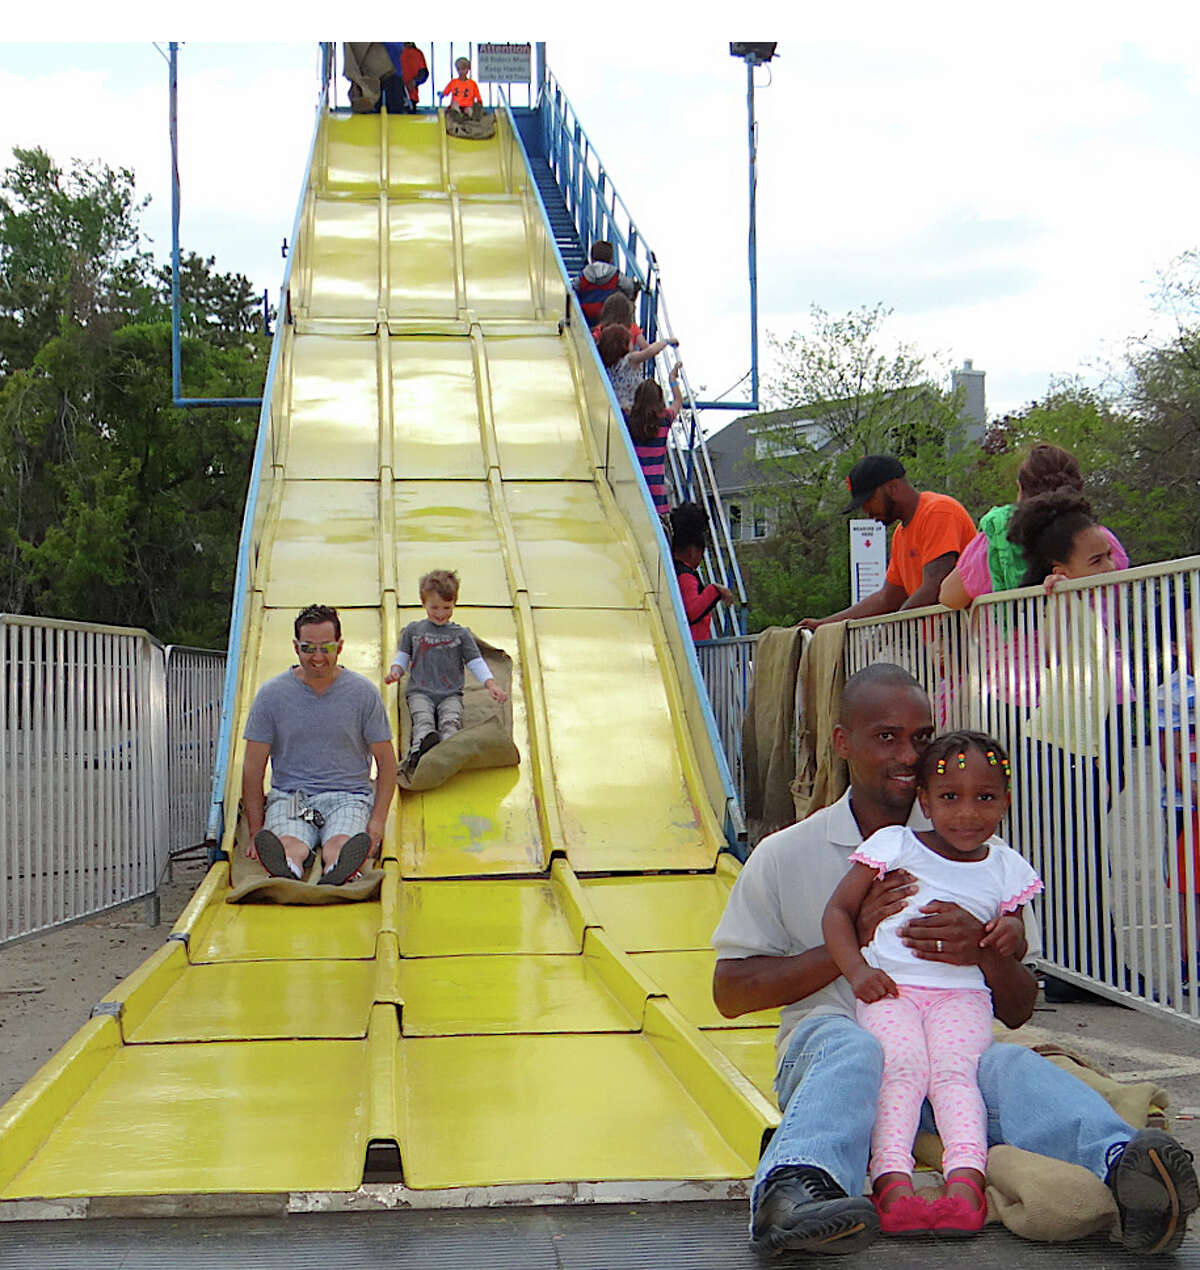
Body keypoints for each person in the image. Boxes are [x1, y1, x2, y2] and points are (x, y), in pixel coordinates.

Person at [712, 662, 1199, 1257]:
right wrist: (852, 949)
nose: (908, 754)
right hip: (838, 1056)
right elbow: (730, 994)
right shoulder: (786, 853)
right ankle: (794, 1193)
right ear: (843, 743)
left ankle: (1134, 1172)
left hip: (947, 1053)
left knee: (1009, 1065)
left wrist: (984, 953)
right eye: (886, 736)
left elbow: (1018, 1009)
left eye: (922, 737)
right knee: (853, 1045)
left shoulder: (976, 847)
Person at [822, 730, 1041, 1237]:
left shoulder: (1007, 866)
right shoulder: (895, 845)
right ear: (924, 800)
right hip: (892, 990)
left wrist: (1008, 931)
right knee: (900, 1071)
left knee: (955, 1076)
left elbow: (1017, 940)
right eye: (949, 797)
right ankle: (892, 1178)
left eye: (985, 798)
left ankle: (965, 1179)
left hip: (962, 997)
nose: (967, 813)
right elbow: (837, 911)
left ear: (1006, 801)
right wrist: (858, 970)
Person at [242, 604, 397, 886]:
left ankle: (339, 867)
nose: (317, 657)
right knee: (291, 843)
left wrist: (377, 822)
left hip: (348, 795)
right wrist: (255, 829)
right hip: (294, 797)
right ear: (295, 646)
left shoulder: (363, 694)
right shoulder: (272, 695)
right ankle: (286, 867)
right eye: (308, 648)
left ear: (340, 646)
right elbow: (253, 767)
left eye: (326, 648)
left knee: (339, 842)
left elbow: (387, 763)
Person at [939, 443, 1129, 609]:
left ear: (1021, 489)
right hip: (1096, 646)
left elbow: (949, 597)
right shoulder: (1099, 540)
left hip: (1015, 648)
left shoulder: (997, 539)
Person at [798, 456, 975, 630]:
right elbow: (888, 598)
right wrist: (823, 624)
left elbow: (935, 584)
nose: (866, 511)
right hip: (939, 648)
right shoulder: (900, 534)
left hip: (971, 644)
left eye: (868, 501)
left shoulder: (938, 512)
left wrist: (890, 632)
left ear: (892, 487)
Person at [384, 569, 508, 773]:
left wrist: (491, 684)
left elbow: (475, 661)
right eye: (434, 607)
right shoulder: (414, 631)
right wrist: (396, 670)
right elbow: (403, 655)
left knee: (451, 722)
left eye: (446, 607)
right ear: (423, 603)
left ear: (454, 604)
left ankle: (448, 752)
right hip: (420, 691)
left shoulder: (460, 634)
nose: (440, 613)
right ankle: (419, 753)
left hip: (450, 693)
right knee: (422, 720)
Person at [1156, 592, 1199, 977]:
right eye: (1191, 625)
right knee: (1190, 887)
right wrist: (1192, 789)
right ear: (1174, 644)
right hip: (1187, 805)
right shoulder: (1172, 690)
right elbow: (1170, 753)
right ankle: (1191, 963)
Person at [669, 502, 734, 640]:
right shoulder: (686, 575)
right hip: (693, 644)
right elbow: (692, 611)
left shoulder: (672, 570)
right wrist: (714, 591)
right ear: (693, 552)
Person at [627, 365, 683, 516]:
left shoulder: (629, 420)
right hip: (656, 486)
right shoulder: (665, 419)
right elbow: (678, 400)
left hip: (634, 484)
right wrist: (672, 379)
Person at [596, 325, 677, 417]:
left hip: (616, 407)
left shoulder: (606, 363)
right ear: (625, 345)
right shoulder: (630, 360)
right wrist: (666, 342)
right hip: (634, 410)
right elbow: (650, 351)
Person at [574, 240, 639, 322]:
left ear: (591, 258)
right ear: (611, 259)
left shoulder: (584, 274)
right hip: (608, 315)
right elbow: (629, 287)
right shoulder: (615, 274)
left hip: (586, 315)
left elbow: (574, 288)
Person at [440, 57, 483, 121]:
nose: (461, 72)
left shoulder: (472, 83)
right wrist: (441, 94)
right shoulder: (453, 82)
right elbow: (445, 92)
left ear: (468, 69)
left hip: (468, 105)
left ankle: (467, 118)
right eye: (458, 69)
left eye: (463, 69)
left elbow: (478, 96)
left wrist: (479, 103)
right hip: (456, 105)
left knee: (469, 111)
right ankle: (458, 116)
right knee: (454, 106)